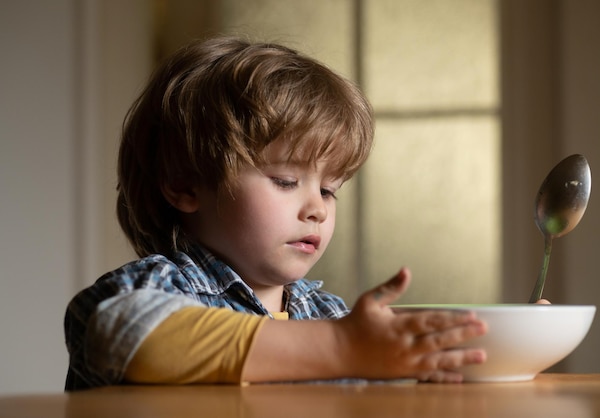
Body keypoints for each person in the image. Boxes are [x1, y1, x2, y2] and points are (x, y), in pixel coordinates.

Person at [64, 36, 489, 391]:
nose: (317, 209)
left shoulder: (326, 314)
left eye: (329, 190)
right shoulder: (159, 286)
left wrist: (468, 350)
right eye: (286, 181)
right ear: (185, 186)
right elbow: (122, 333)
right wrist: (343, 347)